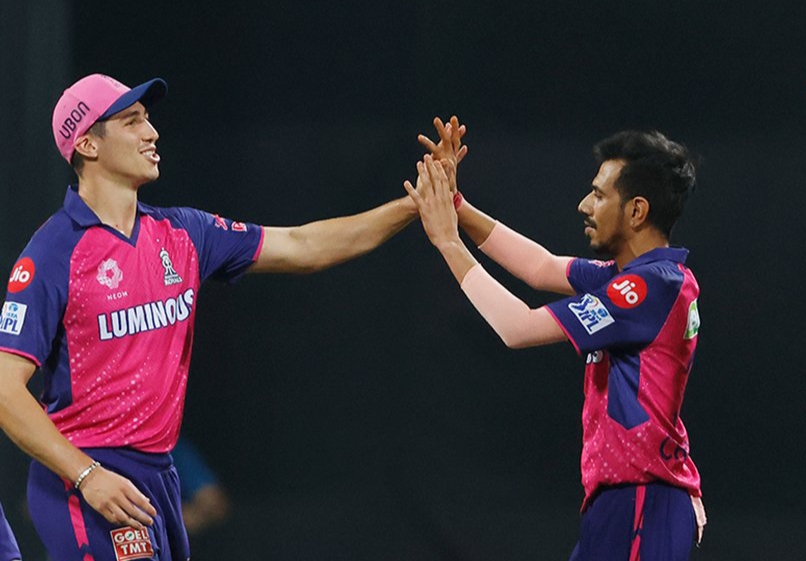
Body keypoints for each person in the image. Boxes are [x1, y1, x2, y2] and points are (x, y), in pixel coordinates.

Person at [0, 73, 425, 560]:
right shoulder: (54, 253)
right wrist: (86, 474)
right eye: (132, 121)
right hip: (86, 476)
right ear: (88, 145)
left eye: (148, 119)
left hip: (158, 476)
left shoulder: (183, 233)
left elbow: (304, 245)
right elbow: (6, 389)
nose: (152, 133)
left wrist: (414, 206)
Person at [408, 121, 707, 560]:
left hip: (644, 499)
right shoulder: (632, 279)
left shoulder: (648, 288)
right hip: (624, 502)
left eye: (599, 195)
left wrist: (448, 241)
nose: (585, 204)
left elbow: (518, 328)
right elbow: (540, 267)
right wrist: (455, 204)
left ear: (637, 211)